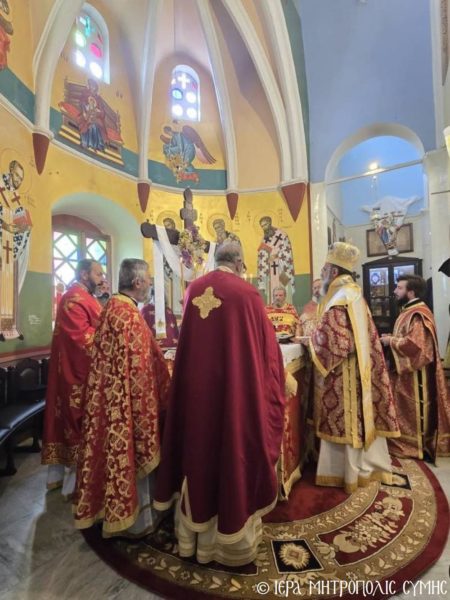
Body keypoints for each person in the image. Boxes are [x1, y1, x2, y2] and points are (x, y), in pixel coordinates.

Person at [154, 243, 286, 566]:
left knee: (197, 451)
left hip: (196, 392)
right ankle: (231, 540)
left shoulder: (193, 290)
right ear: (239, 262)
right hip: (234, 392)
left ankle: (191, 538)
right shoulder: (247, 294)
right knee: (232, 451)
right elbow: (267, 351)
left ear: (216, 260)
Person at [73, 259, 170, 537]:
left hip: (106, 399)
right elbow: (141, 371)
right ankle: (137, 520)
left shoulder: (112, 308)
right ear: (137, 283)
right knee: (128, 454)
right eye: (148, 279)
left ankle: (111, 511)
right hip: (126, 404)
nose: (150, 283)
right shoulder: (129, 315)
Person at [304, 242, 400, 494]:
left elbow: (337, 342)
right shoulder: (354, 293)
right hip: (358, 369)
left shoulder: (340, 299)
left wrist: (310, 341)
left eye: (325, 269)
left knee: (345, 420)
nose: (322, 273)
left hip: (343, 373)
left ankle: (343, 471)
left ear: (334, 272)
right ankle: (362, 465)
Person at [41, 259, 104, 496]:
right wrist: (110, 338)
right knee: (74, 422)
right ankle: (74, 484)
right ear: (84, 274)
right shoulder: (73, 298)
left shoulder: (88, 297)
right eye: (98, 274)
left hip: (82, 371)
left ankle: (71, 478)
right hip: (74, 374)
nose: (102, 279)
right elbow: (81, 339)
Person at [380, 275, 450, 460]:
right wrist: (393, 337)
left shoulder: (418, 314)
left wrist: (391, 341)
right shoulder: (408, 311)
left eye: (399, 288)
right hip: (406, 374)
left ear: (411, 292)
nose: (395, 291)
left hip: (416, 375)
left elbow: (417, 346)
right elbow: (407, 336)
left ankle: (416, 445)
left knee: (415, 409)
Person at [257, 216, 295, 303]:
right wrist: (265, 256)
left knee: (285, 289)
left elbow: (287, 252)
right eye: (262, 226)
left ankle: (286, 308)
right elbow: (262, 255)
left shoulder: (282, 235)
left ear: (270, 223)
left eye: (265, 225)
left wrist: (276, 256)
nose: (264, 228)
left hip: (282, 270)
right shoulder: (265, 238)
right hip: (270, 272)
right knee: (272, 293)